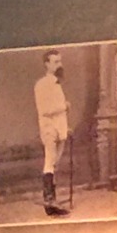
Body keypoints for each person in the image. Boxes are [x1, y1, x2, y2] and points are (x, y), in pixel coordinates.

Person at [31, 49, 73, 218]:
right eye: (55, 62)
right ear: (47, 64)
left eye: (60, 61)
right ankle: (49, 200)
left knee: (54, 165)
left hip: (60, 130)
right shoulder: (41, 85)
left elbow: (60, 114)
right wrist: (64, 106)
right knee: (49, 162)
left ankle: (51, 204)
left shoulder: (57, 85)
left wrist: (66, 127)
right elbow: (45, 110)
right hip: (49, 129)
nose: (59, 65)